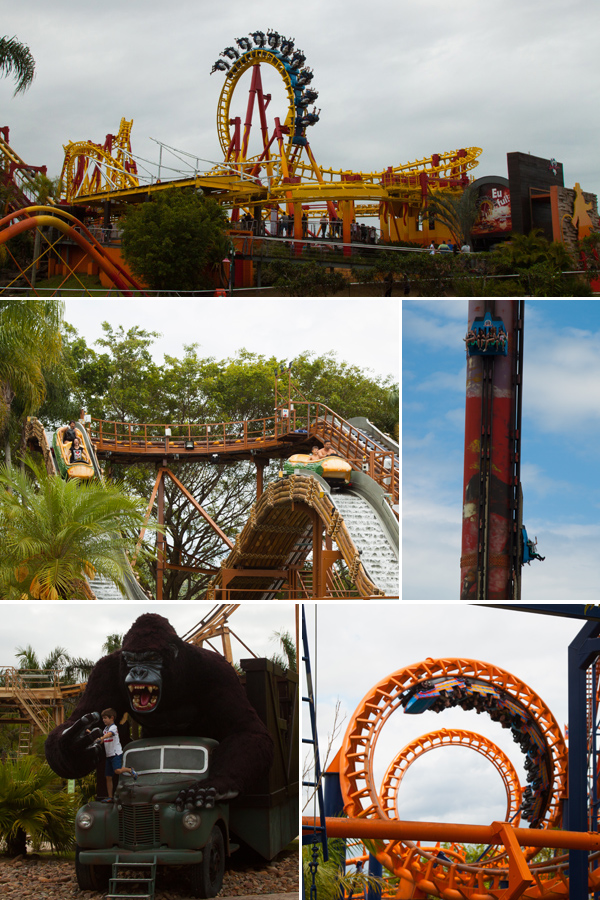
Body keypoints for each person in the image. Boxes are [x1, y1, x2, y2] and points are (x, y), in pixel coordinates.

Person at [91, 708, 137, 801]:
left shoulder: (113, 727)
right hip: (109, 755)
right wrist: (93, 736)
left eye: (105, 718)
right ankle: (110, 797)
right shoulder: (105, 729)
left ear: (111, 718)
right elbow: (102, 739)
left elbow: (109, 735)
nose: (103, 720)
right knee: (108, 777)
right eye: (103, 718)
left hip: (116, 753)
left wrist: (102, 737)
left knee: (117, 771)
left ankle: (130, 769)